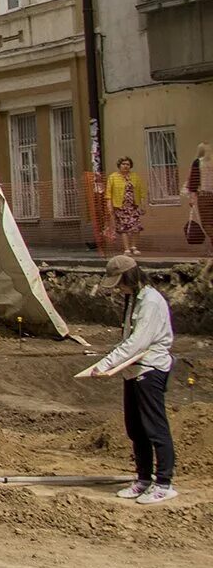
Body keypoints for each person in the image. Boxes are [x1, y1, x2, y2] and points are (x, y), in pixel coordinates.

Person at [76, 254, 178, 504]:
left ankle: (163, 483)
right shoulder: (134, 298)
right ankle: (143, 478)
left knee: (155, 427)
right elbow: (127, 339)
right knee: (136, 427)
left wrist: (105, 364)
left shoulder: (151, 302)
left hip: (150, 369)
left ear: (130, 277)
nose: (118, 289)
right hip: (132, 370)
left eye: (119, 282)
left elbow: (137, 342)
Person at [106, 156, 147, 256]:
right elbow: (108, 193)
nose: (126, 166)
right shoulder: (113, 177)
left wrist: (143, 204)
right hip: (120, 206)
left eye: (128, 164)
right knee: (124, 227)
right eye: (123, 164)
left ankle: (134, 247)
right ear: (119, 165)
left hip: (133, 206)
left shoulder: (135, 176)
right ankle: (127, 249)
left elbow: (142, 191)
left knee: (136, 227)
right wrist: (109, 206)